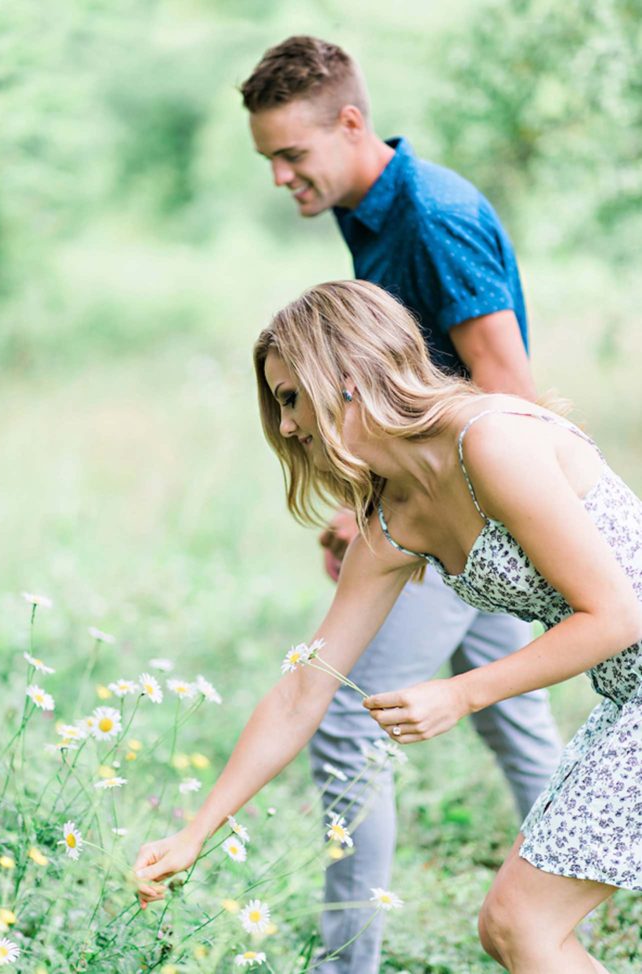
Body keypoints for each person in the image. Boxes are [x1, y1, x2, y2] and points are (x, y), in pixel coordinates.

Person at [135, 280, 642, 974]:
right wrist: (196, 831)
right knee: (514, 928)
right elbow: (302, 692)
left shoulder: (489, 440)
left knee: (521, 923)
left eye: (291, 398)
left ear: (345, 375)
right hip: (627, 700)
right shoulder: (393, 520)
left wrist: (461, 693)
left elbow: (616, 615)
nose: (284, 426)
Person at [239, 35, 562, 970]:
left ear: (351, 124)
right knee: (518, 725)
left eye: (291, 155)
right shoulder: (368, 211)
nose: (279, 176)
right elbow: (405, 380)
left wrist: (399, 519)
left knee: (344, 721)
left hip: (471, 512)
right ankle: (599, 886)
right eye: (267, 160)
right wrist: (365, 500)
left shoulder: (434, 217)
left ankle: (350, 966)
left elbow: (510, 396)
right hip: (431, 500)